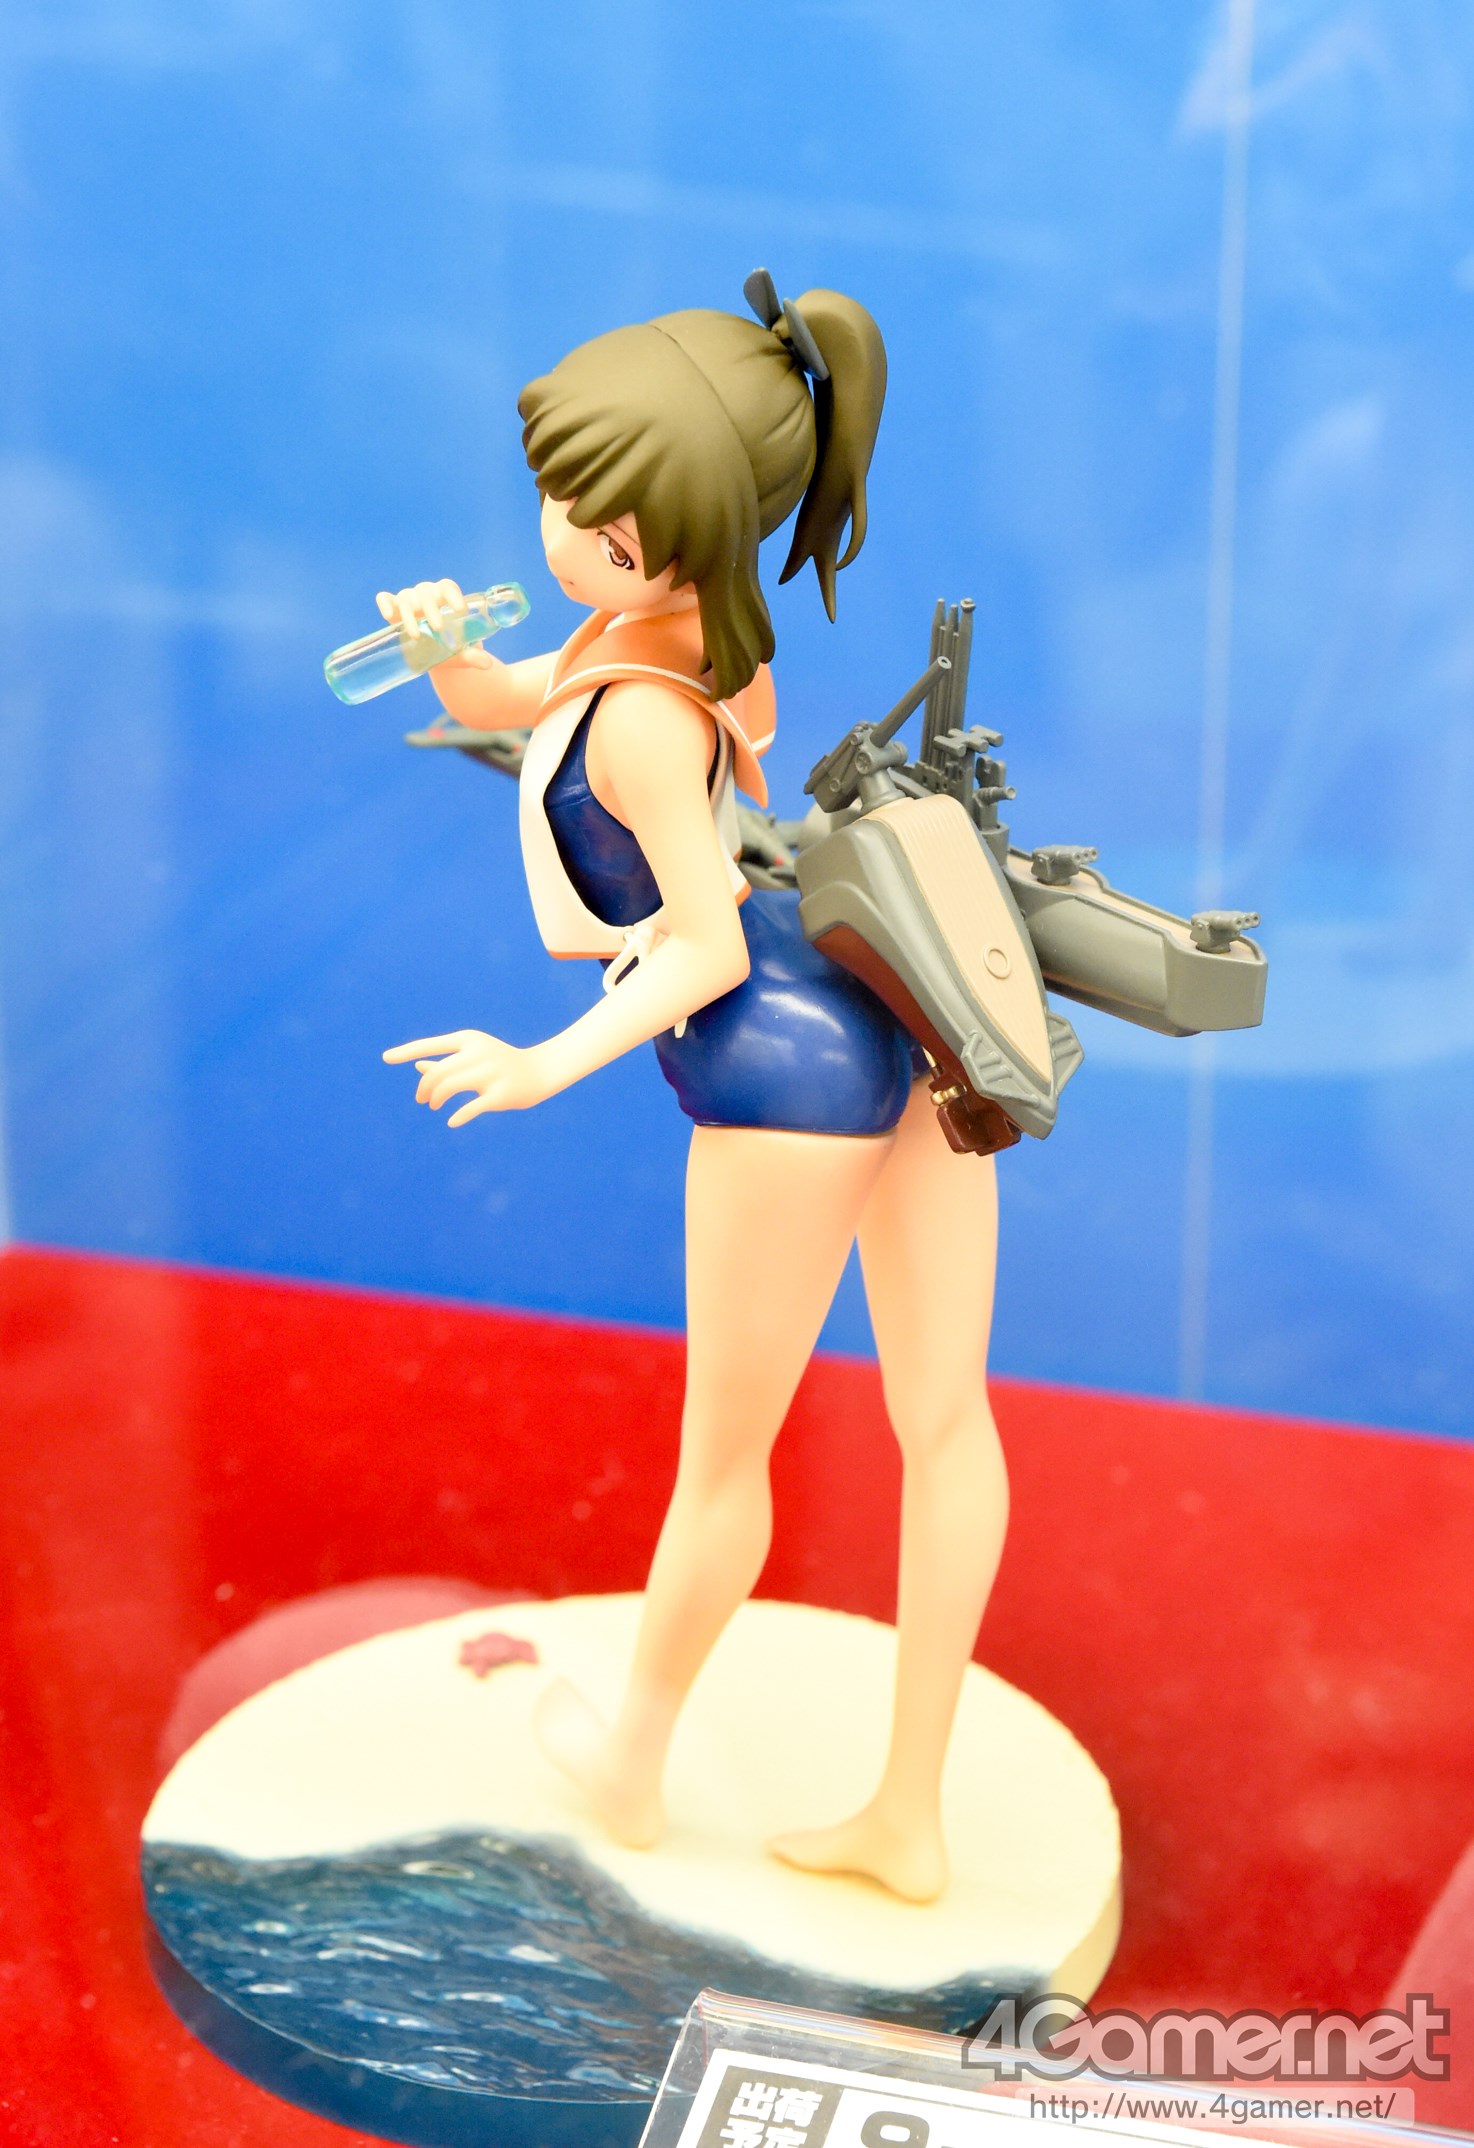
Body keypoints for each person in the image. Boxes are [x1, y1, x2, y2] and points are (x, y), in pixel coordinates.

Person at [379, 276, 1008, 1904]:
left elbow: (706, 945)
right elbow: (509, 701)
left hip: (780, 1063)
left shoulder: (643, 720)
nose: (560, 536)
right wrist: (445, 656)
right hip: (902, 1010)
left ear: (688, 534)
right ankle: (906, 1817)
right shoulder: (692, 640)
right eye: (559, 497)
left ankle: (633, 1763)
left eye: (598, 521)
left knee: (723, 1465)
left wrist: (544, 1062)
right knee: (944, 1419)